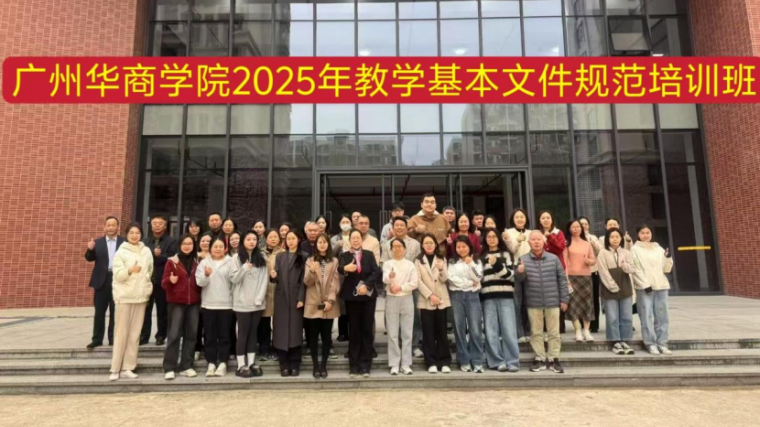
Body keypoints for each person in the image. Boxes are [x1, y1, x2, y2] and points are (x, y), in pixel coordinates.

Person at [515, 231, 569, 374]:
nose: (536, 242)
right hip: (533, 301)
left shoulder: (553, 258)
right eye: (533, 239)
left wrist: (564, 299)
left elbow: (562, 279)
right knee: (536, 332)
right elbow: (519, 281)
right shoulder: (523, 259)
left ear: (543, 241)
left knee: (554, 332)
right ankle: (539, 357)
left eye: (539, 239)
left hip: (553, 301)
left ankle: (553, 358)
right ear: (529, 242)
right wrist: (519, 272)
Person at [109, 223, 153, 381]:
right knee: (121, 334)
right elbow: (118, 275)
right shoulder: (121, 252)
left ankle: (128, 367)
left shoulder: (146, 251)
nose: (135, 235)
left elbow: (149, 271)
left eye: (137, 233)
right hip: (125, 297)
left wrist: (147, 288)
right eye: (131, 233)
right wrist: (130, 270)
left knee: (134, 334)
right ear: (126, 234)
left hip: (140, 298)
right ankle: (115, 368)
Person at [339, 229, 381, 378]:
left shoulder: (369, 254)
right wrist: (345, 268)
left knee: (367, 330)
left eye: (358, 238)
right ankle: (354, 365)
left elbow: (376, 272)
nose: (356, 240)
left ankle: (365, 365)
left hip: (367, 297)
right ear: (349, 240)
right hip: (352, 297)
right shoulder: (344, 255)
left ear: (361, 240)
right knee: (354, 330)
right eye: (353, 238)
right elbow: (339, 269)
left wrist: (367, 285)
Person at [380, 217, 423, 358]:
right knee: (391, 317)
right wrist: (390, 280)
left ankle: (414, 345)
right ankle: (396, 346)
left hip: (410, 287)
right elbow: (383, 264)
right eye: (396, 225)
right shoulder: (387, 245)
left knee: (414, 316)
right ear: (392, 228)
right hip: (392, 287)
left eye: (402, 225)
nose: (399, 227)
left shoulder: (415, 244)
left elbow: (418, 263)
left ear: (406, 227)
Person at [480, 228, 520, 372]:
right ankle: (496, 361)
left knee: (509, 330)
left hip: (505, 296)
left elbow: (511, 276)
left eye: (494, 236)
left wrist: (496, 264)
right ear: (485, 239)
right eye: (488, 237)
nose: (491, 239)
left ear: (499, 238)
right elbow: (479, 277)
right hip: (487, 297)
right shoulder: (480, 256)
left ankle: (512, 362)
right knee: (491, 331)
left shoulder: (506, 254)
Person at [597, 228, 642, 355]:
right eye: (612, 237)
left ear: (621, 238)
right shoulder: (603, 253)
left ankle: (625, 340)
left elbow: (632, 269)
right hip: (609, 288)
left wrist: (625, 266)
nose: (615, 239)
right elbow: (603, 272)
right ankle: (615, 341)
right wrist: (612, 286)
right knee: (612, 317)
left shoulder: (627, 252)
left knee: (626, 316)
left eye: (617, 236)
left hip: (625, 286)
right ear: (607, 239)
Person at [161, 234, 200, 380]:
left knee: (191, 335)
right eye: (184, 243)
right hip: (176, 303)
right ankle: (169, 367)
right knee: (174, 335)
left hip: (194, 303)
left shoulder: (198, 262)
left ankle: (186, 366)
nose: (187, 246)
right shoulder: (172, 262)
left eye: (190, 243)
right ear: (179, 245)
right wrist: (170, 280)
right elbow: (163, 283)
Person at [631, 224, 674, 355]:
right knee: (646, 316)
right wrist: (645, 284)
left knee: (662, 316)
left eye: (648, 232)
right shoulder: (635, 249)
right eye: (642, 233)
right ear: (638, 235)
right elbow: (636, 269)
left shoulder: (658, 248)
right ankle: (650, 343)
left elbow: (666, 269)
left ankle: (662, 343)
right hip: (645, 288)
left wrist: (668, 258)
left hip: (661, 286)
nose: (645, 235)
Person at [230, 231, 268, 378]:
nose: (252, 242)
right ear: (243, 241)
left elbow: (264, 280)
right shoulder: (236, 258)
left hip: (257, 303)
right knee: (243, 332)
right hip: (242, 303)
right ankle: (241, 365)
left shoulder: (262, 257)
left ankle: (251, 363)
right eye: (248, 239)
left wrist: (259, 298)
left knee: (253, 332)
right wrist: (244, 269)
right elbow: (234, 279)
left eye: (254, 239)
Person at [303, 233, 340, 378]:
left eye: (325, 242)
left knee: (326, 336)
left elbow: (335, 282)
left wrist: (330, 300)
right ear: (316, 245)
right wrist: (312, 271)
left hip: (328, 304)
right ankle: (315, 365)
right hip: (313, 302)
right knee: (313, 337)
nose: (322, 244)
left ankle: (323, 365)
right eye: (320, 242)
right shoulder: (310, 260)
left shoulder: (334, 261)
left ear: (328, 244)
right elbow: (307, 282)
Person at [196, 237, 234, 377]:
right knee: (210, 335)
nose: (218, 249)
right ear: (210, 248)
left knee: (225, 335)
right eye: (215, 246)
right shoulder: (204, 262)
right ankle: (211, 362)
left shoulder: (231, 261)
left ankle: (223, 362)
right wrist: (206, 275)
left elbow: (235, 281)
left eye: (220, 246)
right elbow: (199, 283)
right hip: (208, 304)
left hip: (226, 304)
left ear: (225, 248)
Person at [85, 216, 124, 349]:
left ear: (118, 227)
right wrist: (90, 249)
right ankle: (97, 339)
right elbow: (89, 258)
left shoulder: (124, 242)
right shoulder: (97, 242)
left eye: (114, 225)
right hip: (101, 280)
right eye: (108, 225)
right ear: (104, 227)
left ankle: (113, 339)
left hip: (118, 279)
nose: (111, 227)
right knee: (99, 312)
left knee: (115, 311)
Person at [448, 235, 485, 373]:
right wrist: (469, 283)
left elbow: (478, 277)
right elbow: (451, 279)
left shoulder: (476, 260)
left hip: (472, 296)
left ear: (469, 246)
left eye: (464, 246)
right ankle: (463, 360)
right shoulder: (452, 261)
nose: (461, 249)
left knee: (475, 329)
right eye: (458, 247)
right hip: (456, 296)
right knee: (459, 328)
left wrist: (471, 264)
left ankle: (477, 361)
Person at [382, 239, 419, 375]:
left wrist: (401, 287)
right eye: (394, 247)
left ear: (404, 249)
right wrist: (389, 276)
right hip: (391, 299)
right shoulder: (388, 264)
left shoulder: (410, 264)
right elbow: (384, 278)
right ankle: (394, 363)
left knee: (407, 332)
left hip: (406, 298)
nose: (397, 249)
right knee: (392, 333)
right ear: (391, 249)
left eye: (400, 246)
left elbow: (414, 283)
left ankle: (406, 363)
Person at [272, 230, 306, 376]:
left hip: (296, 298)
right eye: (288, 239)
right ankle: (283, 363)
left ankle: (295, 362)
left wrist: (301, 298)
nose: (291, 241)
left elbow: (304, 280)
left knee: (295, 331)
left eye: (293, 238)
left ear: (298, 240)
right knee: (281, 330)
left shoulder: (304, 256)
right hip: (281, 298)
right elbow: (276, 276)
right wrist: (273, 276)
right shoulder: (280, 256)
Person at [415, 233, 451, 374]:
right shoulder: (418, 261)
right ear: (422, 245)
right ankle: (430, 362)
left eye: (431, 242)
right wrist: (430, 295)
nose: (429, 245)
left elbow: (445, 279)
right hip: (426, 300)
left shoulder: (442, 258)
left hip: (441, 299)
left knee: (441, 331)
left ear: (436, 244)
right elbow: (418, 281)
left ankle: (444, 361)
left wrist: (441, 269)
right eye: (426, 243)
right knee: (428, 332)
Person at [141, 215, 177, 346]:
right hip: (147, 280)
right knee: (146, 310)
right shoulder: (145, 241)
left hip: (162, 281)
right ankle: (144, 335)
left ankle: (161, 335)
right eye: (154, 223)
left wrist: (158, 256)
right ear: (151, 226)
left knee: (162, 310)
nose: (157, 225)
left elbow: (172, 257)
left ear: (165, 226)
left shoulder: (172, 241)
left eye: (160, 223)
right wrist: (153, 254)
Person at [563, 219, 597, 342]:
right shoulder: (566, 243)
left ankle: (586, 331)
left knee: (587, 304)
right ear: (569, 229)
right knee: (574, 304)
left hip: (586, 277)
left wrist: (589, 261)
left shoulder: (587, 243)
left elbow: (593, 259)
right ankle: (577, 330)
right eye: (573, 227)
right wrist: (566, 278)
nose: (576, 228)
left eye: (578, 226)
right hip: (572, 277)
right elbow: (564, 263)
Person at [502, 208, 532, 343]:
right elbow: (511, 250)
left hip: (531, 267)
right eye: (517, 217)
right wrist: (518, 241)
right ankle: (519, 333)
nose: (520, 219)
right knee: (516, 301)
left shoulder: (531, 233)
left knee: (529, 300)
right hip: (515, 267)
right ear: (512, 219)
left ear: (526, 218)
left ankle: (529, 331)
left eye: (522, 217)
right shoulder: (508, 232)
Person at [537, 210, 567, 333]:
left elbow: (560, 247)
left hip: (557, 267)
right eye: (543, 218)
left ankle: (560, 326)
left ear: (552, 219)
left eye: (548, 217)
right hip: (541, 268)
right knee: (544, 295)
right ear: (539, 220)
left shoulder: (558, 232)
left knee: (558, 296)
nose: (545, 220)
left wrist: (550, 237)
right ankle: (545, 326)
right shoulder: (537, 233)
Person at [259, 229, 284, 361]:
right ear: (266, 239)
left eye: (275, 237)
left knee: (279, 324)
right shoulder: (260, 253)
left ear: (279, 239)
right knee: (264, 323)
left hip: (280, 291)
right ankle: (264, 349)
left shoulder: (283, 253)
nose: (273, 239)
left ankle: (277, 349)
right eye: (270, 237)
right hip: (264, 291)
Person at [579, 217, 602, 333]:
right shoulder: (574, 238)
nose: (584, 226)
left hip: (593, 271)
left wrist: (593, 244)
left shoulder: (593, 237)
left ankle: (594, 324)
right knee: (580, 298)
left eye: (586, 224)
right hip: (578, 272)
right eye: (581, 224)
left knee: (594, 298)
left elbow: (600, 251)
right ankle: (582, 324)